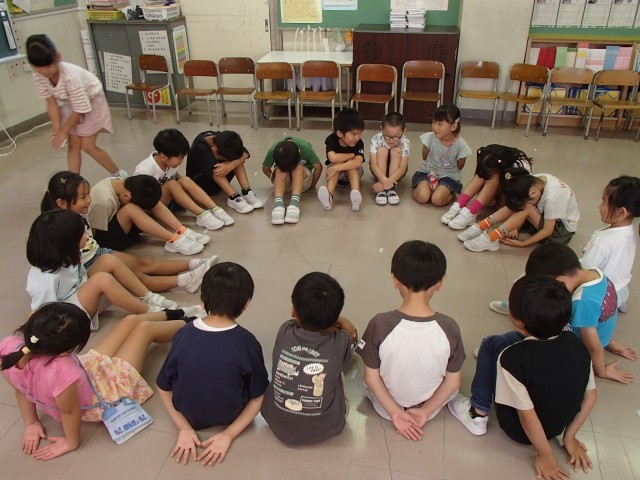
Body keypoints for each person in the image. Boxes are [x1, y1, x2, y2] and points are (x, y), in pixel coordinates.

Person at [448, 275, 597, 480]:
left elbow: (527, 416)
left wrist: (545, 455)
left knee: (491, 343)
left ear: (518, 319)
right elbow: (591, 397)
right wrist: (569, 437)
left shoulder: (511, 359)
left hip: (520, 431)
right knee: (510, 340)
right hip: (558, 427)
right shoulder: (577, 344)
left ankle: (476, 413)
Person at [0, 303, 189, 461]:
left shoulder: (9, 348)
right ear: (66, 352)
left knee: (129, 321)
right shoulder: (62, 371)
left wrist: (31, 423)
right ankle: (193, 324)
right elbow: (69, 412)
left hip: (87, 371)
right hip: (107, 391)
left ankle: (178, 314)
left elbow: (21, 389)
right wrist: (71, 443)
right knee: (144, 330)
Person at [41, 171, 218, 302]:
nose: (89, 199)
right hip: (87, 266)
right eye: (83, 197)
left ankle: (196, 264)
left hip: (98, 252)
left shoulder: (77, 214)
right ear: (61, 202)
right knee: (137, 277)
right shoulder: (57, 227)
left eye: (88, 194)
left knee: (144, 263)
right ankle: (184, 281)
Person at [156, 262, 269, 466]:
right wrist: (228, 435)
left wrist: (184, 427)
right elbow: (259, 396)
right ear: (246, 303)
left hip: (187, 414)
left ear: (203, 297)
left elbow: (163, 388)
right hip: (231, 416)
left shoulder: (182, 334)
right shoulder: (247, 343)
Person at [356, 240, 465, 441]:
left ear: (394, 280)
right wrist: (425, 411)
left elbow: (371, 378)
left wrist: (395, 412)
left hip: (386, 408)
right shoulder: (450, 327)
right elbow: (453, 382)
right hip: (428, 408)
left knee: (364, 379)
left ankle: (397, 410)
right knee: (454, 388)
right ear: (440, 283)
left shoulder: (379, 323)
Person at [26, 210, 204, 330]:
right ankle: (148, 311)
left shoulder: (67, 255)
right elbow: (43, 315)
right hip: (69, 317)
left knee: (107, 260)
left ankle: (148, 296)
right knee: (102, 279)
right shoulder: (45, 279)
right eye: (81, 234)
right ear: (66, 242)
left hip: (80, 294)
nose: (87, 235)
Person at [261, 272, 357, 445]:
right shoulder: (341, 341)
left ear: (293, 311)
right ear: (333, 318)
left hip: (275, 419)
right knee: (335, 369)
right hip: (326, 427)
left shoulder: (284, 330)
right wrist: (341, 322)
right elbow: (353, 335)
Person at [525, 243, 636, 384]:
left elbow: (593, 347)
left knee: (542, 325)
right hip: (601, 332)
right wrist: (606, 341)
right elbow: (599, 315)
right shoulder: (596, 273)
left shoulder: (582, 302)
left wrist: (602, 371)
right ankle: (607, 342)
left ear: (560, 281)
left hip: (585, 343)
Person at [25, 34, 126, 178]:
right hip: (72, 104)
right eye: (38, 67)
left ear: (57, 57)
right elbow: (51, 102)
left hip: (93, 101)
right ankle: (73, 182)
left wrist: (63, 131)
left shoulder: (70, 77)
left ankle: (120, 174)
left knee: (87, 146)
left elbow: (80, 109)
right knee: (73, 144)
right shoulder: (39, 75)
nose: (44, 71)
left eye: (48, 66)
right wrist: (56, 129)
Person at [133, 129, 235, 230]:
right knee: (172, 184)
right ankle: (202, 215)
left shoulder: (170, 162)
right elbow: (139, 200)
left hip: (170, 201)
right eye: (180, 158)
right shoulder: (145, 170)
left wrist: (187, 187)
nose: (181, 161)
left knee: (185, 180)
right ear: (164, 156)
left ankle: (215, 208)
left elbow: (175, 176)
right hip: (153, 207)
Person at [460, 168, 579, 253]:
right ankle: (481, 226)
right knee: (521, 205)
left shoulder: (554, 197)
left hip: (561, 232)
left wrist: (523, 243)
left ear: (533, 193)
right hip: (544, 216)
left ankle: (491, 238)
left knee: (526, 207)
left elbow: (547, 231)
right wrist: (516, 226)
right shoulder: (536, 181)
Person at [88, 174, 209, 256]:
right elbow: (92, 234)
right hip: (104, 239)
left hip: (118, 222)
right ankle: (173, 240)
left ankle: (181, 230)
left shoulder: (124, 183)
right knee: (131, 208)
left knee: (151, 198)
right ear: (126, 196)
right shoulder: (103, 202)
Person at [581, 175, 640, 313]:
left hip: (602, 298)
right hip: (621, 288)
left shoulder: (602, 241)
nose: (599, 206)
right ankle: (619, 303)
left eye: (604, 202)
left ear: (622, 212)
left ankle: (609, 308)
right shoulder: (629, 231)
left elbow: (585, 271)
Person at [441, 144, 533, 230]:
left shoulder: (521, 168)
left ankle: (471, 212)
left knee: (492, 177)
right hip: (498, 192)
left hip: (509, 199)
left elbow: (519, 198)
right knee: (483, 175)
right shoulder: (494, 159)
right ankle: (459, 204)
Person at [186, 130, 263, 214]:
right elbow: (213, 167)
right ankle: (233, 197)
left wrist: (230, 166)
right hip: (202, 184)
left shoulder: (222, 139)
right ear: (214, 150)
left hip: (218, 178)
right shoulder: (199, 148)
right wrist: (229, 164)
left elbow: (245, 153)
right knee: (217, 168)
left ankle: (247, 191)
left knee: (237, 159)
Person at [411, 105, 472, 207]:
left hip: (448, 176)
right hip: (427, 172)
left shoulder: (461, 145)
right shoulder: (429, 137)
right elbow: (424, 157)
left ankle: (449, 193)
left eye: (440, 124)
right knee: (422, 197)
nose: (435, 127)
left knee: (437, 200)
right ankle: (425, 188)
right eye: (433, 122)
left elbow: (460, 166)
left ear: (453, 126)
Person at [261, 137, 322, 224]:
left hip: (302, 181)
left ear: (299, 152)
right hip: (285, 181)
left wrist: (312, 185)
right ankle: (278, 205)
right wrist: (278, 183)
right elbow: (265, 169)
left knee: (297, 168)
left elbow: (318, 167)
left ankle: (294, 205)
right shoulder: (274, 150)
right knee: (280, 170)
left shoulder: (305, 147)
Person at [317, 108, 365, 212]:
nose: (357, 138)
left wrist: (336, 168)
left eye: (360, 133)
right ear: (339, 133)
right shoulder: (331, 139)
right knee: (337, 162)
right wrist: (352, 155)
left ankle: (356, 196)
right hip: (336, 177)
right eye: (353, 134)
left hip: (353, 174)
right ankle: (329, 196)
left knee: (352, 166)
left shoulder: (359, 143)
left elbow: (358, 162)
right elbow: (332, 158)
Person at [369, 112, 409, 206]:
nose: (391, 140)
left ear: (404, 132)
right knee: (382, 150)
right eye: (387, 136)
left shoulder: (405, 141)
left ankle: (391, 188)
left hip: (397, 174)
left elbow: (402, 167)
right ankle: (382, 189)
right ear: (381, 129)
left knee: (396, 150)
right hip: (379, 172)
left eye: (396, 137)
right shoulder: (375, 139)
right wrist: (384, 180)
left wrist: (386, 184)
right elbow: (373, 164)